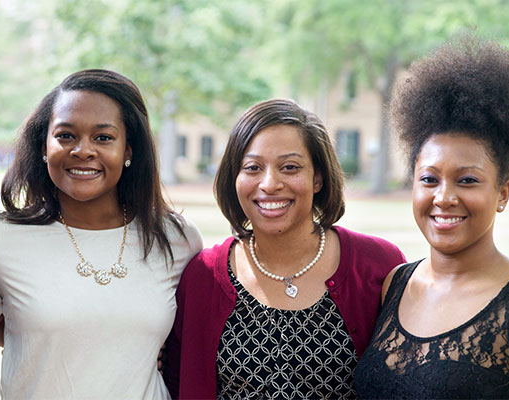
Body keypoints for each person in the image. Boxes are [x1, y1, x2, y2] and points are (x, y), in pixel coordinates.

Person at [353, 37, 509, 399]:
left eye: (467, 180)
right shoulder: (395, 284)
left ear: (503, 193)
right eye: (429, 179)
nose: (444, 197)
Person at [163, 99, 407, 399]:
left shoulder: (378, 266)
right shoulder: (202, 277)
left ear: (317, 177)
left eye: (289, 167)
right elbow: (175, 381)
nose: (269, 184)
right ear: (234, 178)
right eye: (253, 167)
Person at [0, 69, 203, 399]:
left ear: (129, 150)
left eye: (103, 138)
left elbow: (191, 342)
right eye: (66, 135)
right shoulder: (2, 237)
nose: (82, 150)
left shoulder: (176, 239)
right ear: (44, 147)